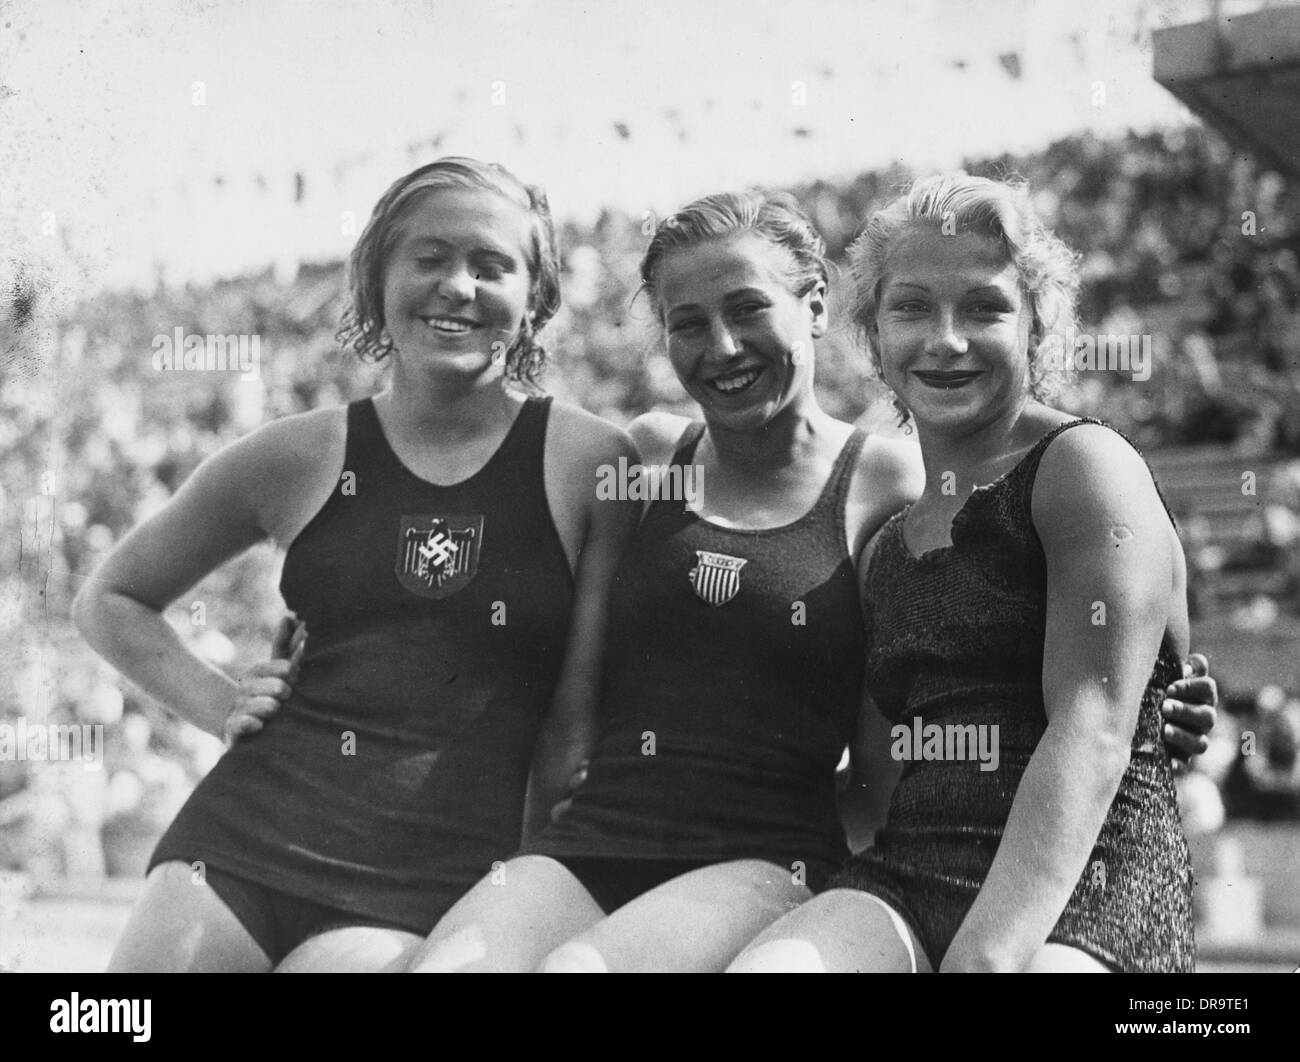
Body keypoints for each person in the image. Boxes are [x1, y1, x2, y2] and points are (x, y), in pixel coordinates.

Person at [397, 189, 1217, 973]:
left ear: (817, 305)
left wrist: (1156, 695)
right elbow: (543, 661)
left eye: (749, 308)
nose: (723, 347)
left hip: (776, 854)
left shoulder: (896, 486)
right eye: (689, 323)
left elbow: (1039, 692)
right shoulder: (643, 458)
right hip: (617, 839)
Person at [72, 157, 639, 972]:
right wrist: (222, 704)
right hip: (240, 843)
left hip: (432, 878)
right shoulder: (297, 454)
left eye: (492, 266)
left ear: (535, 298)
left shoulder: (586, 462)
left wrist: (524, 895)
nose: (459, 286)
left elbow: (571, 730)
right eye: (430, 258)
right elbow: (112, 597)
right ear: (377, 280)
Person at [728, 173, 1197, 973]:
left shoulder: (1084, 465)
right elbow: (881, 779)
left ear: (1037, 327)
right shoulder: (888, 543)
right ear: (873, 334)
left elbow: (1093, 733)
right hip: (910, 876)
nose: (945, 340)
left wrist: (983, 958)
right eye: (911, 308)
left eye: (984, 308)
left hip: (1090, 884)